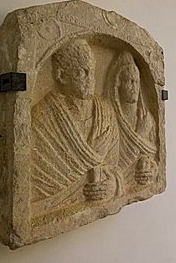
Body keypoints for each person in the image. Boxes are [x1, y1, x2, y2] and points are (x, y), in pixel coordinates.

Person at [31, 39, 120, 216]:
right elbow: (33, 179)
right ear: (61, 76)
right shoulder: (42, 118)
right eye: (81, 72)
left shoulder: (106, 113)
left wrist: (113, 185)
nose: (90, 80)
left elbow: (114, 167)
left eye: (92, 72)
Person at [107, 51, 158, 186]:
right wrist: (140, 135)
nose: (134, 87)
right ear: (118, 83)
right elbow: (114, 164)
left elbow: (153, 154)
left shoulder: (147, 118)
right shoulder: (110, 118)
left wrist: (150, 169)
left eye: (136, 82)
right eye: (129, 81)